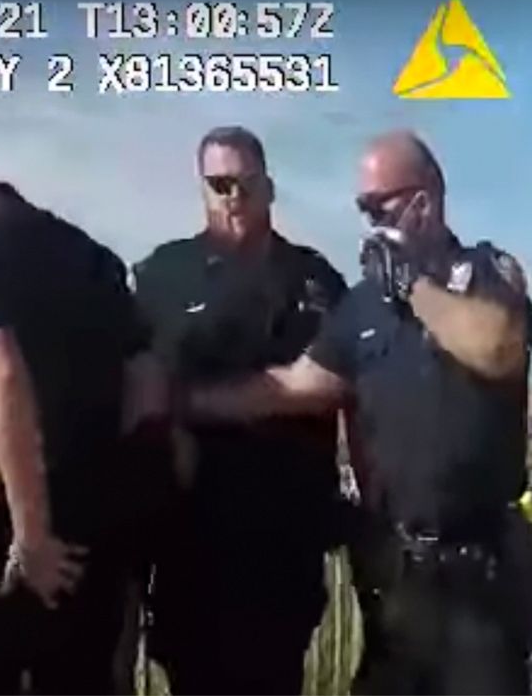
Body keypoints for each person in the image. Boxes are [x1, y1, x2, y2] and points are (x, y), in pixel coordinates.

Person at [182, 130, 532, 694]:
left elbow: (497, 349)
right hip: (398, 587)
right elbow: (294, 385)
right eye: (362, 209)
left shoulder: (487, 273)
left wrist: (414, 286)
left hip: (480, 585)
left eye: (380, 206)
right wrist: (183, 402)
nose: (370, 222)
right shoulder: (363, 304)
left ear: (423, 200)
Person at [0, 130, 153, 695]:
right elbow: (146, 381)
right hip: (95, 535)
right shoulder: (86, 252)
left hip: (11, 541)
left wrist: (32, 532)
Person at [131, 126, 351, 695]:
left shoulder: (314, 279)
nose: (234, 196)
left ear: (269, 187)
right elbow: (134, 387)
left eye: (246, 183)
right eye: (219, 183)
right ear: (202, 190)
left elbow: (332, 382)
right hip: (190, 551)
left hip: (285, 550)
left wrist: (193, 402)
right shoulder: (162, 277)